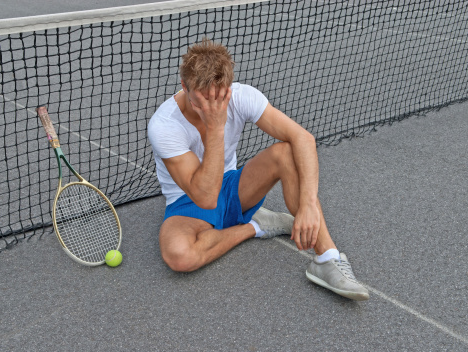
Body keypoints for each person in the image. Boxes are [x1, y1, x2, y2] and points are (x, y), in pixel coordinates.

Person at [148, 38, 369, 301]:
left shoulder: (242, 97)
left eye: (218, 96)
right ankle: (256, 225)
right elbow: (205, 197)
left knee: (286, 153)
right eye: (202, 98)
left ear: (228, 87)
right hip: (189, 201)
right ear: (184, 86)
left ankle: (327, 258)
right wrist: (217, 127)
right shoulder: (164, 125)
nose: (211, 105)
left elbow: (303, 139)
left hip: (233, 189)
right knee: (179, 256)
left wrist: (309, 203)